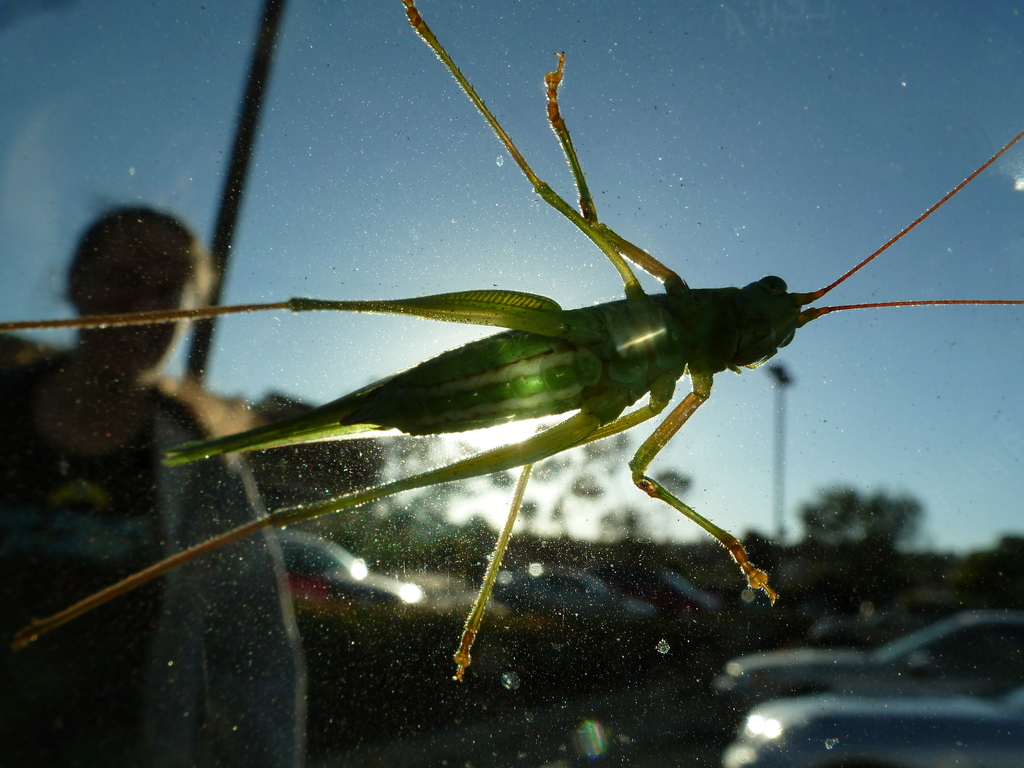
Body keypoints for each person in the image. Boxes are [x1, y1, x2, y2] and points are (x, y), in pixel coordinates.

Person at [0, 207, 306, 767]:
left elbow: (252, 650)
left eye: (169, 291)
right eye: (123, 279)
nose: (144, 308)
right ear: (76, 283)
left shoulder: (207, 465)